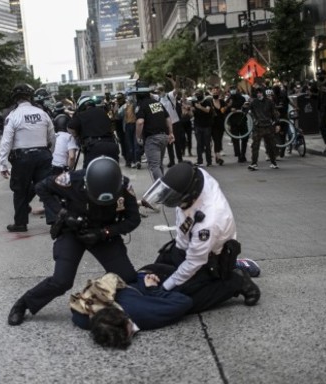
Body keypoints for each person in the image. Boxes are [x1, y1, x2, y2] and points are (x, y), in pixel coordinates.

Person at [7, 156, 141, 326]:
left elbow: (133, 219)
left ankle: (124, 305)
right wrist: (63, 214)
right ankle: (23, 304)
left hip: (103, 233)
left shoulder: (124, 186)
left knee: (128, 277)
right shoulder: (72, 180)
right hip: (73, 231)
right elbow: (41, 187)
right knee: (61, 281)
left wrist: (104, 232)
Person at [141, 162, 261, 313]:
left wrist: (166, 288)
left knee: (183, 299)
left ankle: (236, 281)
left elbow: (194, 262)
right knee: (159, 268)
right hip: (187, 242)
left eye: (177, 199)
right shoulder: (196, 176)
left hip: (211, 257)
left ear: (190, 196)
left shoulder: (208, 222)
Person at [69, 270, 193, 349]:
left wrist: (152, 289)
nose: (133, 331)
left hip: (151, 279)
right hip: (138, 278)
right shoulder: (87, 317)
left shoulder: (142, 313)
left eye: (130, 331)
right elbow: (76, 314)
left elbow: (184, 302)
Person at [0, 83, 55, 232]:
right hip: (43, 155)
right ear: (30, 97)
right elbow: (52, 136)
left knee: (20, 191)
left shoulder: (13, 116)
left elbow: (6, 141)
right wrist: (51, 153)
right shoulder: (42, 113)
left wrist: (2, 163)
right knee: (47, 188)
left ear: (15, 99)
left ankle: (20, 223)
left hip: (22, 158)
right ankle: (54, 220)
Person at [135, 84, 174, 181]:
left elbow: (140, 122)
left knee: (154, 166)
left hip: (152, 139)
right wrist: (171, 133)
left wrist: (138, 136)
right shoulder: (157, 103)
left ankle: (162, 188)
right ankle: (162, 184)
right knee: (159, 164)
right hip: (164, 137)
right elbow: (168, 118)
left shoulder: (142, 106)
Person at [68, 95, 119, 167]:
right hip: (111, 145)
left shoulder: (80, 115)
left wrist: (77, 136)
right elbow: (111, 126)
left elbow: (70, 127)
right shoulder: (103, 112)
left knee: (88, 173)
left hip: (93, 147)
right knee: (113, 172)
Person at [155, 74, 184, 167]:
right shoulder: (158, 98)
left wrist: (172, 79)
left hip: (175, 123)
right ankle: (172, 161)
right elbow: (149, 94)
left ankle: (180, 159)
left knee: (177, 142)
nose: (159, 92)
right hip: (166, 125)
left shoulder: (169, 96)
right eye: (158, 91)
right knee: (169, 143)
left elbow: (176, 88)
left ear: (163, 90)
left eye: (160, 90)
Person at [247, 87, 280, 171]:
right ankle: (254, 163)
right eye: (258, 93)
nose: (259, 94)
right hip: (258, 127)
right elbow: (247, 110)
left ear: (263, 93)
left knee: (271, 146)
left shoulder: (269, 102)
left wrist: (277, 124)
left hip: (268, 126)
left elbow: (274, 113)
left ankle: (273, 162)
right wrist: (245, 106)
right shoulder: (254, 102)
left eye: (260, 92)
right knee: (255, 146)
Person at [51, 103, 77, 175]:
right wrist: (69, 169)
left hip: (51, 168)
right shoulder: (69, 137)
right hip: (62, 169)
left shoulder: (53, 136)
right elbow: (72, 157)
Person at [191, 89, 213, 166]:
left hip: (206, 126)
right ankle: (199, 161)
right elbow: (192, 113)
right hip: (197, 125)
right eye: (196, 94)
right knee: (199, 144)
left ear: (202, 94)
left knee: (207, 144)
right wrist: (191, 109)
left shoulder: (207, 101)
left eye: (198, 94)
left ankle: (209, 161)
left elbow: (207, 110)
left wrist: (200, 107)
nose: (197, 96)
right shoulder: (194, 102)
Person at [209, 85, 227, 166]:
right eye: (214, 91)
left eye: (217, 91)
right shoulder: (209, 102)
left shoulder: (222, 102)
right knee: (216, 140)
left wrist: (226, 108)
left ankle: (217, 156)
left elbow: (223, 111)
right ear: (211, 92)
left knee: (219, 140)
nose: (215, 93)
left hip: (221, 124)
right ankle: (218, 157)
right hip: (213, 125)